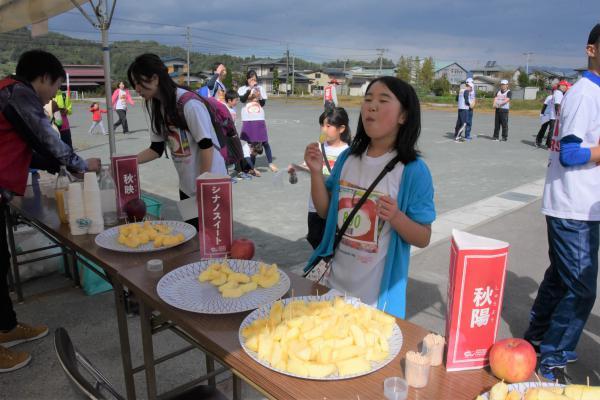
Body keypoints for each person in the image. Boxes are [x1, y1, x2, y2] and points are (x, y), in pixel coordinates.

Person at [0, 49, 100, 373]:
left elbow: (31, 153)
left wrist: (67, 165)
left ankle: (7, 327)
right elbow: (46, 137)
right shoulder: (18, 93)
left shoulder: (12, 95)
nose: (54, 96)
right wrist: (80, 166)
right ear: (43, 77)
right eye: (56, 86)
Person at [304, 76, 436, 318]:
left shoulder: (413, 171)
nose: (371, 106)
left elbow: (423, 237)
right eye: (367, 99)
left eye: (383, 100)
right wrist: (315, 172)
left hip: (375, 304)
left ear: (403, 116)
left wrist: (396, 217)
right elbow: (324, 211)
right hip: (332, 289)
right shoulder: (348, 158)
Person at [523, 23, 600, 383]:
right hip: (573, 206)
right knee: (581, 288)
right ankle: (553, 359)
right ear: (591, 50)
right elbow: (570, 154)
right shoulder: (585, 93)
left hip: (579, 204)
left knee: (560, 279)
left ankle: (536, 340)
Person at [127, 54, 227, 226]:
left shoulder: (189, 104)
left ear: (155, 78)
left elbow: (206, 146)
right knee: (193, 235)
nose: (136, 88)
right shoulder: (156, 106)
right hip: (186, 187)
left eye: (138, 82)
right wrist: (126, 163)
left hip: (210, 185)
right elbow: (156, 149)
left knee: (212, 242)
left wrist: (202, 186)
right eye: (134, 84)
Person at [306, 107, 351, 249]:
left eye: (328, 126)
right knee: (315, 239)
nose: (323, 129)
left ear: (341, 129)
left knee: (333, 246)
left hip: (335, 207)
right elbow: (310, 166)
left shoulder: (347, 152)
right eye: (322, 125)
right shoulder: (318, 147)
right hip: (315, 206)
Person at [238, 70, 278, 172]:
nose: (253, 81)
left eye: (255, 79)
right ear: (247, 79)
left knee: (264, 142)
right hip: (248, 118)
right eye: (251, 79)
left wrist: (259, 95)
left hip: (259, 117)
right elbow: (242, 100)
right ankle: (252, 167)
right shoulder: (242, 89)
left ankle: (270, 163)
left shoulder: (260, 88)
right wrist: (250, 89)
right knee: (252, 144)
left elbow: (263, 103)